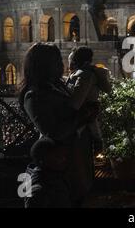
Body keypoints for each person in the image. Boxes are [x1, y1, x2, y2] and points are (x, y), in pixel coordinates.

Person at [19, 43, 96, 208]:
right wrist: (81, 118)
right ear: (43, 65)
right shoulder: (33, 96)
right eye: (56, 61)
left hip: (76, 156)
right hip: (58, 162)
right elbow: (53, 131)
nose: (62, 64)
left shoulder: (60, 85)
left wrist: (89, 111)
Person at [65, 46, 112, 206]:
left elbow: (75, 103)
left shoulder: (84, 76)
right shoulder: (86, 74)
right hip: (84, 123)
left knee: (80, 165)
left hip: (80, 125)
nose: (68, 62)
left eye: (70, 59)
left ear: (75, 60)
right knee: (83, 164)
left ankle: (81, 196)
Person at [24, 136, 71, 208]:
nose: (64, 159)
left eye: (64, 156)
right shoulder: (38, 191)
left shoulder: (55, 176)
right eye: (58, 156)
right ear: (42, 160)